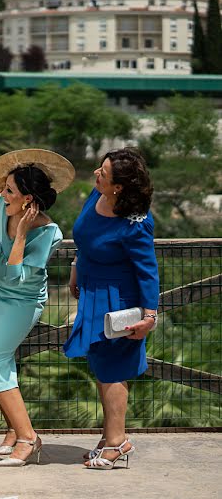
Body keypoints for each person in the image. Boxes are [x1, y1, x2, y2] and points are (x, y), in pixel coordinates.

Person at [0, 149, 74, 467]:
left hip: (21, 304)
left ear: (28, 199)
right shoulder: (1, 203)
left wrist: (21, 235)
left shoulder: (49, 233)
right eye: (4, 189)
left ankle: (28, 438)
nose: (2, 194)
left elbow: (14, 273)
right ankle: (12, 429)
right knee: (0, 362)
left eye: (10, 190)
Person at [63, 148, 159, 470]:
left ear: (119, 186)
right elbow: (86, 239)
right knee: (102, 366)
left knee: (113, 368)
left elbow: (148, 271)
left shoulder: (137, 222)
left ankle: (118, 443)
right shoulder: (97, 195)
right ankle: (109, 436)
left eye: (103, 173)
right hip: (93, 292)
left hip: (120, 301)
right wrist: (77, 267)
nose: (96, 174)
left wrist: (148, 316)